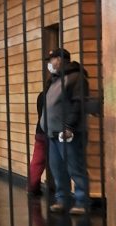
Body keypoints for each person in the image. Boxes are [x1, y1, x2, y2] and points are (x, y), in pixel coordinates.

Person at [41, 48, 90, 215]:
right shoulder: (55, 80)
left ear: (60, 59)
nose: (49, 63)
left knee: (75, 167)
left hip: (68, 134)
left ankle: (82, 202)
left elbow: (78, 103)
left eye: (51, 59)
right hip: (53, 133)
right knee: (57, 169)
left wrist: (69, 126)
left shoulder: (76, 77)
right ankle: (62, 199)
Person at [27, 90, 49, 195]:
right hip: (53, 132)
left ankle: (32, 187)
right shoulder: (59, 94)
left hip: (40, 130)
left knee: (37, 161)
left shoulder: (41, 95)